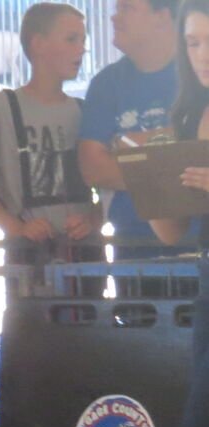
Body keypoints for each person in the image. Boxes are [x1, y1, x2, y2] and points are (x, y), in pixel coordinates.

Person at [0, 4, 103, 292]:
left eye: (83, 40)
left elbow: (110, 184)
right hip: (29, 260)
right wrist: (15, 227)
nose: (82, 49)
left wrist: (93, 218)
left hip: (84, 256)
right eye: (71, 39)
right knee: (32, 332)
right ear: (38, 44)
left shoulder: (85, 112)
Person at [79, 0, 187, 293]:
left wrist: (130, 149)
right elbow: (94, 169)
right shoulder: (107, 83)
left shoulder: (199, 74)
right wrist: (178, 155)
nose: (115, 17)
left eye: (127, 8)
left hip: (200, 246)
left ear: (162, 16)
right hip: (132, 251)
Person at [147, 0, 209, 427]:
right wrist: (148, 180)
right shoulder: (189, 112)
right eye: (193, 42)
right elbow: (172, 232)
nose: (203, 54)